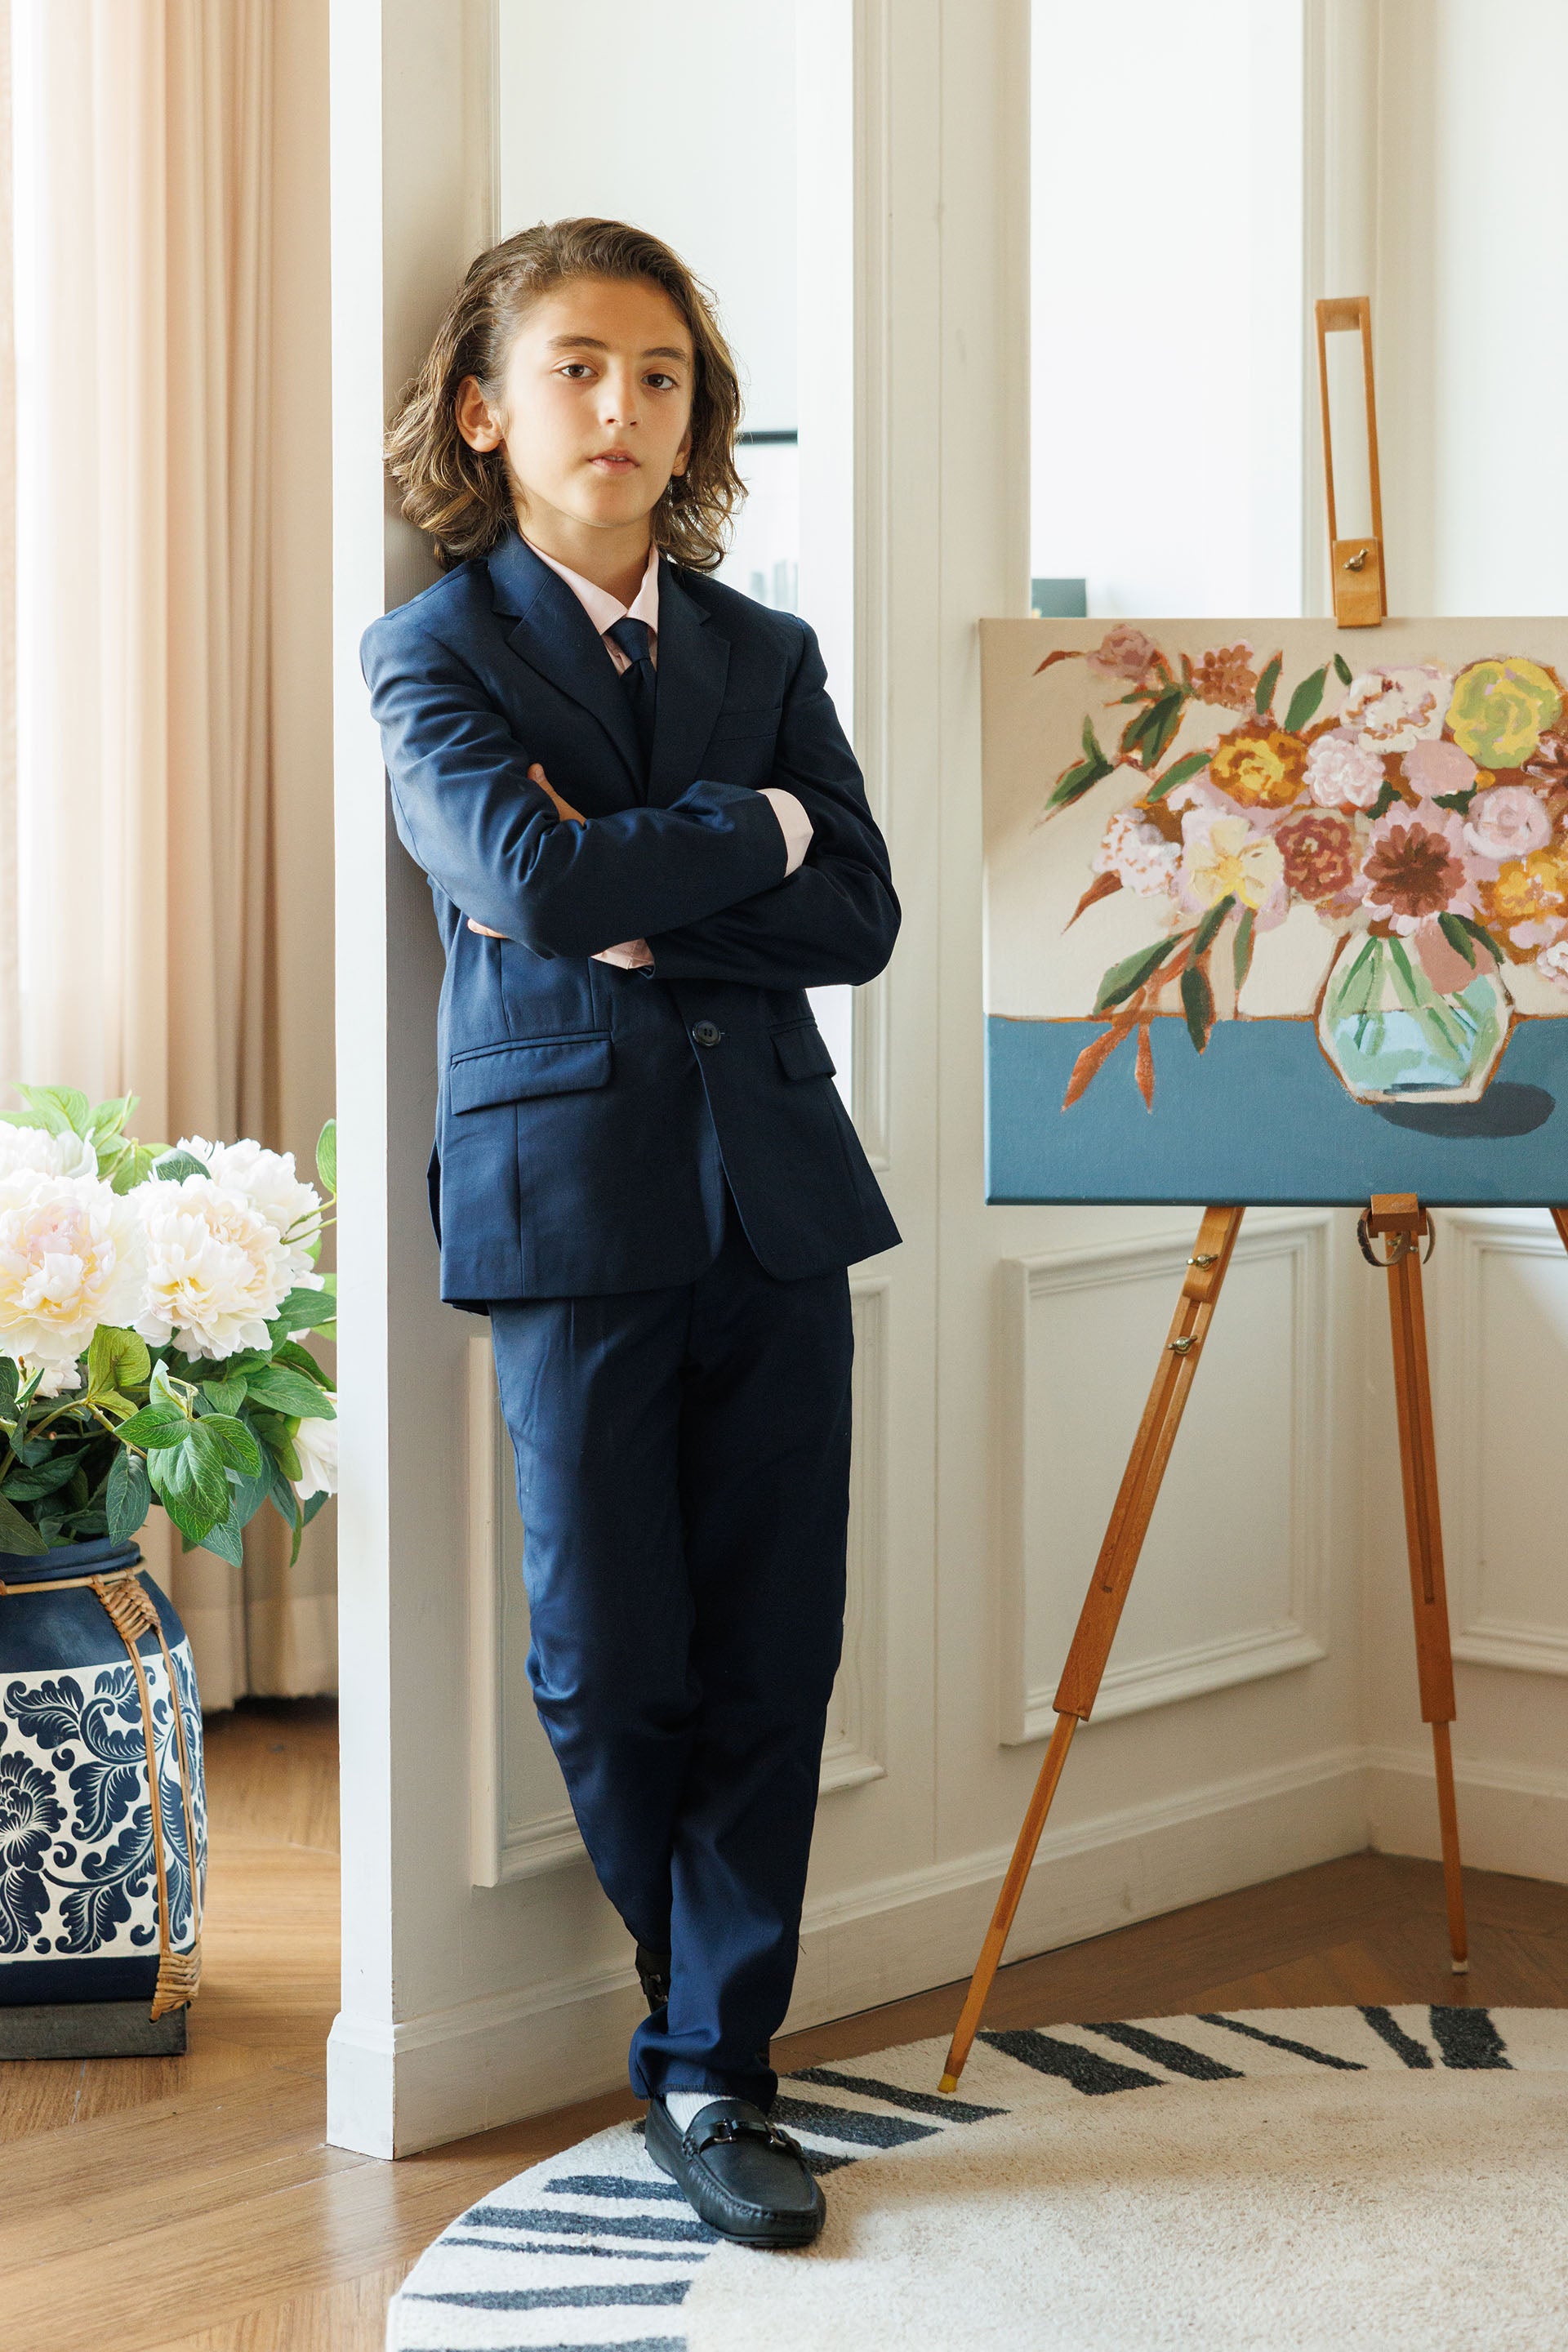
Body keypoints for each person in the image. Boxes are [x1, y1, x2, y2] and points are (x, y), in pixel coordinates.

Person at [362, 218, 900, 2247]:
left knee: (777, 1643)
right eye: (578, 368)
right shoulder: (430, 649)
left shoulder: (765, 651)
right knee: (608, 1657)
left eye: (660, 374)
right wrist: (750, 831)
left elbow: (860, 913)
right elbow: (526, 882)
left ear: (698, 417)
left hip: (780, 1194)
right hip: (569, 1203)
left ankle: (712, 2061)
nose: (623, 405)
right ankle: (696, 2005)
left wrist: (649, 878)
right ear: (483, 414)